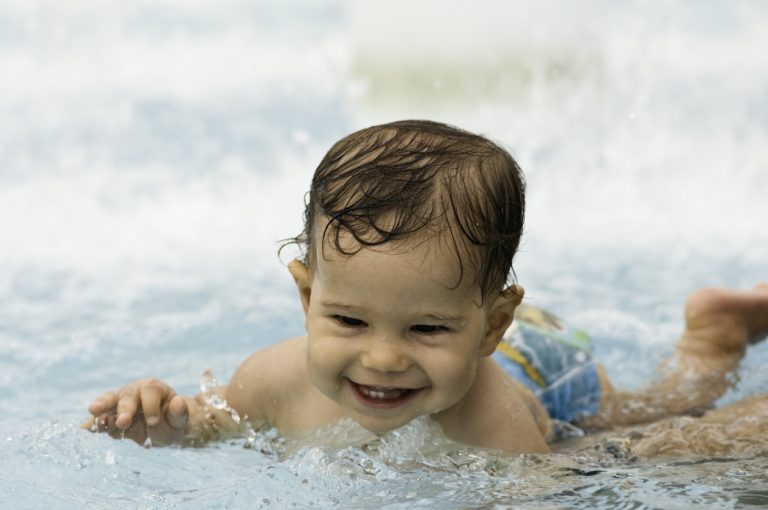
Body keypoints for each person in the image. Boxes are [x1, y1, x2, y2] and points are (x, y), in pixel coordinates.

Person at [81, 120, 768, 454]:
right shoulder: (271, 378)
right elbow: (218, 424)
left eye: (425, 329)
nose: (383, 357)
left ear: (489, 323)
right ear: (306, 298)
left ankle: (711, 340)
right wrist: (166, 419)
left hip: (546, 367)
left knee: (644, 422)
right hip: (490, 331)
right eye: (348, 320)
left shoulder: (497, 426)